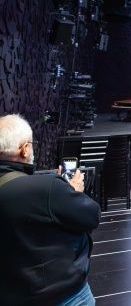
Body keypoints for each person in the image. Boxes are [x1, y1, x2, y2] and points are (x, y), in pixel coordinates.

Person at [0, 114, 101, 305]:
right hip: (62, 296)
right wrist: (71, 191)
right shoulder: (47, 187)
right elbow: (91, 216)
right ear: (24, 149)